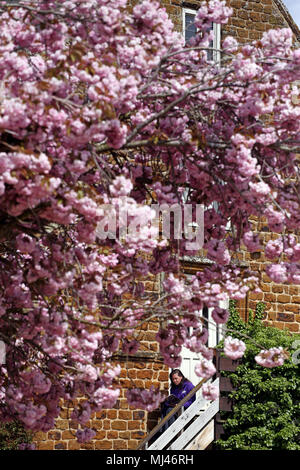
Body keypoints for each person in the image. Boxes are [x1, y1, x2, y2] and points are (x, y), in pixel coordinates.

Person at [160, 369, 195, 434]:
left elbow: (191, 402)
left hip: (185, 409)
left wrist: (180, 405)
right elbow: (172, 399)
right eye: (173, 379)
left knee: (169, 410)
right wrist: (168, 403)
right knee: (164, 408)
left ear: (181, 377)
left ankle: (171, 433)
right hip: (176, 408)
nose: (174, 381)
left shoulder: (189, 386)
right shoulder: (173, 387)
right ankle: (164, 432)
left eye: (176, 378)